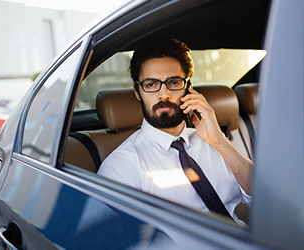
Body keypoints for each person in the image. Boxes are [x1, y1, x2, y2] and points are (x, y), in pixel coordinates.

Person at [97, 37, 253, 223]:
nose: (164, 94)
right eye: (151, 84)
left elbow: (264, 197)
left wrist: (219, 141)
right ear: (137, 93)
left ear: (188, 88)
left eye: (174, 82)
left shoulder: (213, 141)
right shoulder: (122, 166)